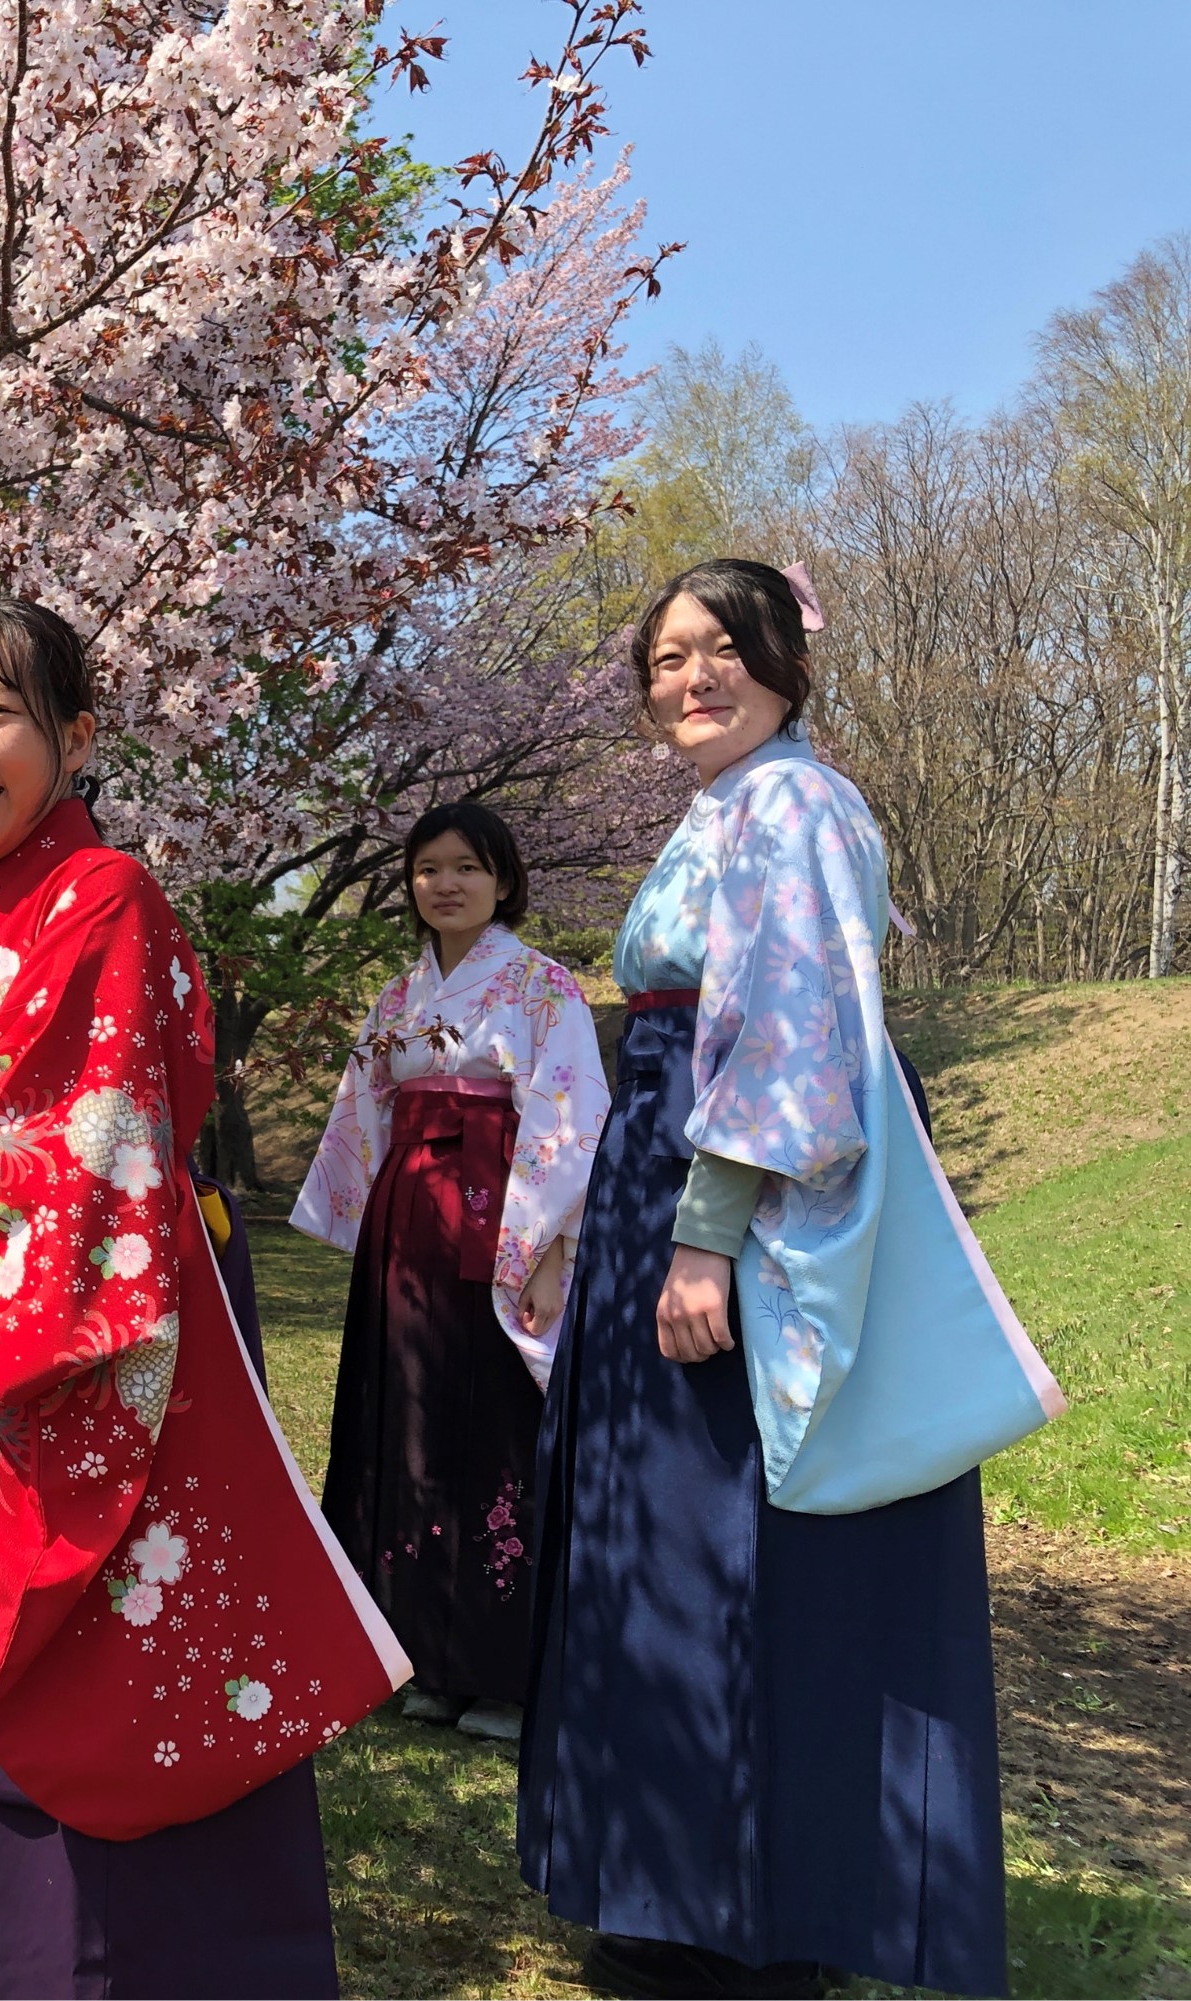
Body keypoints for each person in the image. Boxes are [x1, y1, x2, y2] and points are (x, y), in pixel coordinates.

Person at [0, 600, 408, 2001]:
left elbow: (73, 1151)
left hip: (44, 1338)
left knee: (69, 1671)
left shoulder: (105, 894)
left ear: (75, 735)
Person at [517, 560, 1064, 1999]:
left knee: (739, 1545)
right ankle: (672, 1881)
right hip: (673, 1174)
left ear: (783, 663)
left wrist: (703, 1235)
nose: (690, 679)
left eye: (722, 651)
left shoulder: (794, 806)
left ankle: (742, 1908)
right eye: (665, 658)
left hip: (738, 1206)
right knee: (672, 1541)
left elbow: (789, 1038)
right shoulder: (728, 806)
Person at [291, 802, 605, 1742]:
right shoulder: (398, 998)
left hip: (503, 1212)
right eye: (429, 868)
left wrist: (550, 1251)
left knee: (497, 1418)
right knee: (408, 1417)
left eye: (467, 865)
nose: (447, 883)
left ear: (504, 879)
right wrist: (369, 1218)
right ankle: (419, 1648)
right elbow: (364, 1114)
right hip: (410, 1227)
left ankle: (501, 1668)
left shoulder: (546, 988)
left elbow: (569, 1122)